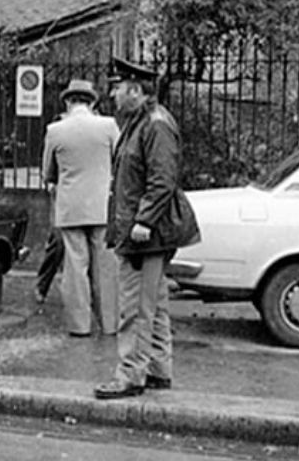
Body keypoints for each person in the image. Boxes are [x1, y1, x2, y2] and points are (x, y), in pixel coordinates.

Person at [95, 57, 199, 399]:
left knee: (135, 307)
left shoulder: (153, 125)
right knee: (153, 304)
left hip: (145, 235)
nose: (112, 94)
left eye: (118, 88)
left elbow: (162, 180)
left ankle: (130, 375)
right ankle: (157, 370)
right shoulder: (143, 121)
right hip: (142, 230)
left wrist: (143, 221)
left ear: (136, 91)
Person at [41, 78, 119, 337]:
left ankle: (79, 326)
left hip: (70, 207)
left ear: (67, 101)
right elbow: (120, 162)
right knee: (104, 266)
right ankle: (109, 323)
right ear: (93, 102)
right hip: (101, 206)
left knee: (76, 267)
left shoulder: (55, 130)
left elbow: (47, 173)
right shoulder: (108, 126)